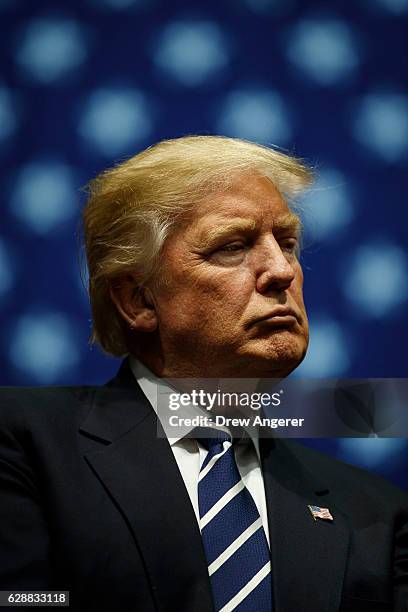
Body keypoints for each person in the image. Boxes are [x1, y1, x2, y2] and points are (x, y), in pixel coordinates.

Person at [0, 135, 407, 611]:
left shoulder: (376, 512)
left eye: (288, 243)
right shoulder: (25, 444)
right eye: (232, 246)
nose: (281, 270)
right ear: (138, 298)